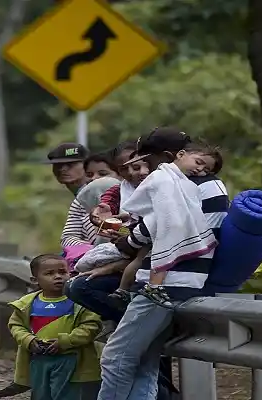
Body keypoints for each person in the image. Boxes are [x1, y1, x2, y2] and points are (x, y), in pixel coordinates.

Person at [96, 128, 228, 400]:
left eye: (148, 161)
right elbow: (155, 225)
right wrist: (129, 236)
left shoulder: (191, 185)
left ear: (168, 157)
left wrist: (128, 241)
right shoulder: (179, 184)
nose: (144, 170)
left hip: (171, 281)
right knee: (144, 363)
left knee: (116, 356)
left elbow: (172, 228)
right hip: (165, 279)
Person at [0, 143, 91, 397]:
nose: (62, 170)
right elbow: (70, 238)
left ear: (87, 166)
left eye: (70, 165)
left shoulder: (94, 193)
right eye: (57, 167)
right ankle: (27, 378)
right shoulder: (79, 196)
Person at [109, 142, 223, 306]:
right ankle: (152, 286)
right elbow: (163, 213)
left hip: (163, 243)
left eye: (206, 170)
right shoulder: (165, 178)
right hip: (163, 231)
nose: (200, 170)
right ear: (180, 154)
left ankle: (148, 287)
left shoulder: (181, 181)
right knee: (164, 248)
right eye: (199, 163)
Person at [8, 254, 102, 400]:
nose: (58, 277)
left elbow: (92, 326)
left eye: (62, 272)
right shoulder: (26, 304)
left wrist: (65, 341)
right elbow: (16, 325)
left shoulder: (80, 302)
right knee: (40, 394)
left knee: (67, 395)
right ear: (35, 280)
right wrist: (29, 340)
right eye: (49, 273)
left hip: (71, 360)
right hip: (38, 359)